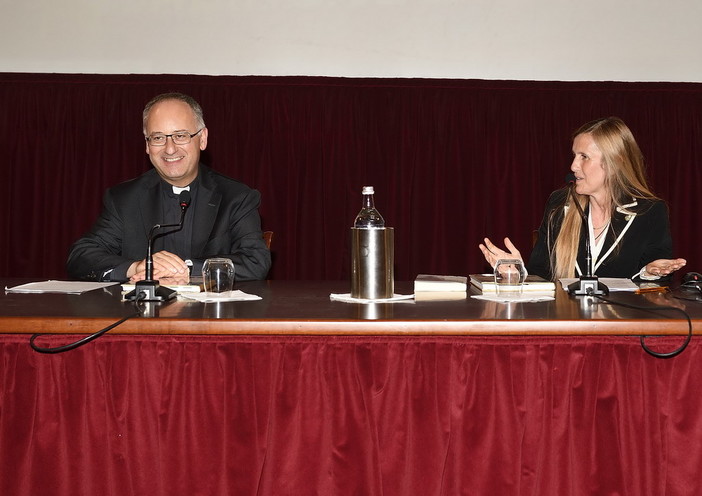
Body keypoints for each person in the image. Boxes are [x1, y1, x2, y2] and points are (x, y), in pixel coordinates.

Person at [67, 92, 271, 284]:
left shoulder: (236, 197)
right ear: (147, 146)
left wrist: (185, 268)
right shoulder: (124, 199)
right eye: (158, 138)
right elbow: (81, 256)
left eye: (180, 136)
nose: (170, 148)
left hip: (210, 317)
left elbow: (255, 261)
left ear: (203, 138)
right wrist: (138, 267)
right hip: (140, 317)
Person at [479, 116, 686, 282]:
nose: (573, 166)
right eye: (574, 156)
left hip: (623, 327)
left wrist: (649, 273)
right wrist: (517, 275)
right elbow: (541, 276)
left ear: (615, 162)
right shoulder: (560, 205)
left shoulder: (649, 211)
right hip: (566, 326)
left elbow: (659, 286)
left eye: (583, 157)